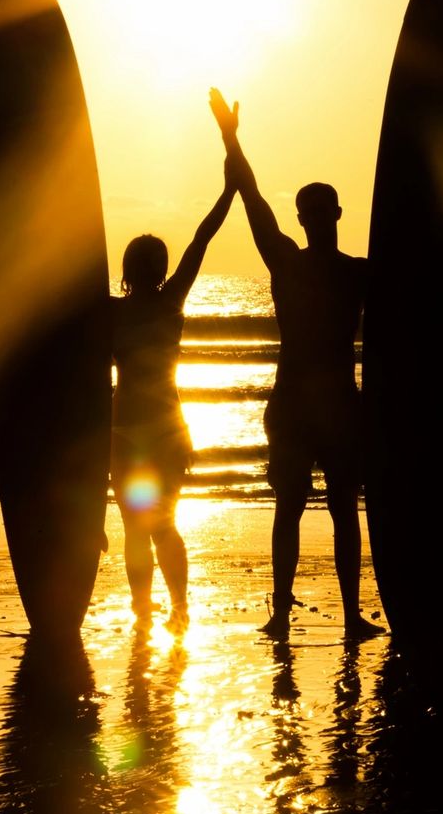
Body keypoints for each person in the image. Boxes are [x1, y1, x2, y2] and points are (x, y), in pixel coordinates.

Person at [210, 88, 381, 640]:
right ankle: (346, 617)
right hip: (334, 405)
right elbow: (427, 287)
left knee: (294, 509)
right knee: (340, 511)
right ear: (333, 214)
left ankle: (284, 615)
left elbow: (251, 196)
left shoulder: (287, 263)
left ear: (304, 218)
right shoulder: (358, 274)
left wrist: (230, 136)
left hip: (294, 405)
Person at [111, 173, 236, 633]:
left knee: (137, 529)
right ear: (160, 269)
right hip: (165, 432)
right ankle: (175, 608)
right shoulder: (170, 303)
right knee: (163, 525)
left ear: (129, 268)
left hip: (128, 433)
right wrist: (228, 189)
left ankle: (146, 611)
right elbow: (201, 239)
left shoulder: (112, 312)